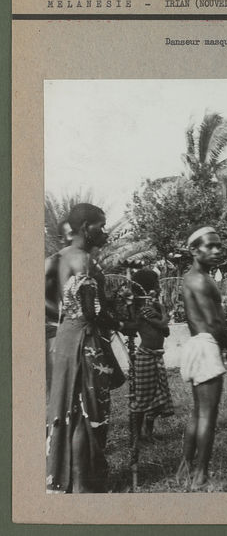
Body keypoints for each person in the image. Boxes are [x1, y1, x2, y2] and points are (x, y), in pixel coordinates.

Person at [46, 204, 127, 493]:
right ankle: (83, 485)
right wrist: (121, 323)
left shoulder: (57, 258)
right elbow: (91, 312)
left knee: (69, 408)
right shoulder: (85, 262)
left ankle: (74, 481)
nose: (103, 232)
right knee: (87, 412)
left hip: (66, 340)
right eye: (100, 226)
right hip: (85, 341)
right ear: (84, 228)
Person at [177, 225, 227, 489]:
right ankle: (201, 475)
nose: (217, 251)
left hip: (197, 344)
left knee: (198, 413)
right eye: (210, 246)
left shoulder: (191, 277)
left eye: (219, 246)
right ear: (194, 250)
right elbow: (214, 322)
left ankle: (185, 469)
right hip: (206, 345)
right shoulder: (202, 280)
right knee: (208, 415)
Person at [129, 269, 175, 443]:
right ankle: (136, 435)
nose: (159, 286)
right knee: (143, 398)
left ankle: (148, 433)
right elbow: (163, 323)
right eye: (156, 284)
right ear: (148, 288)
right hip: (146, 357)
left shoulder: (152, 307)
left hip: (156, 356)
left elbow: (166, 331)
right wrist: (163, 311)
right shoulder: (144, 309)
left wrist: (160, 312)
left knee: (157, 395)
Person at [44, 220, 74, 396]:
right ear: (60, 238)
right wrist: (64, 318)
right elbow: (41, 300)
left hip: (78, 331)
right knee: (59, 387)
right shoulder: (53, 263)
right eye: (71, 234)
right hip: (56, 332)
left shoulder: (82, 263)